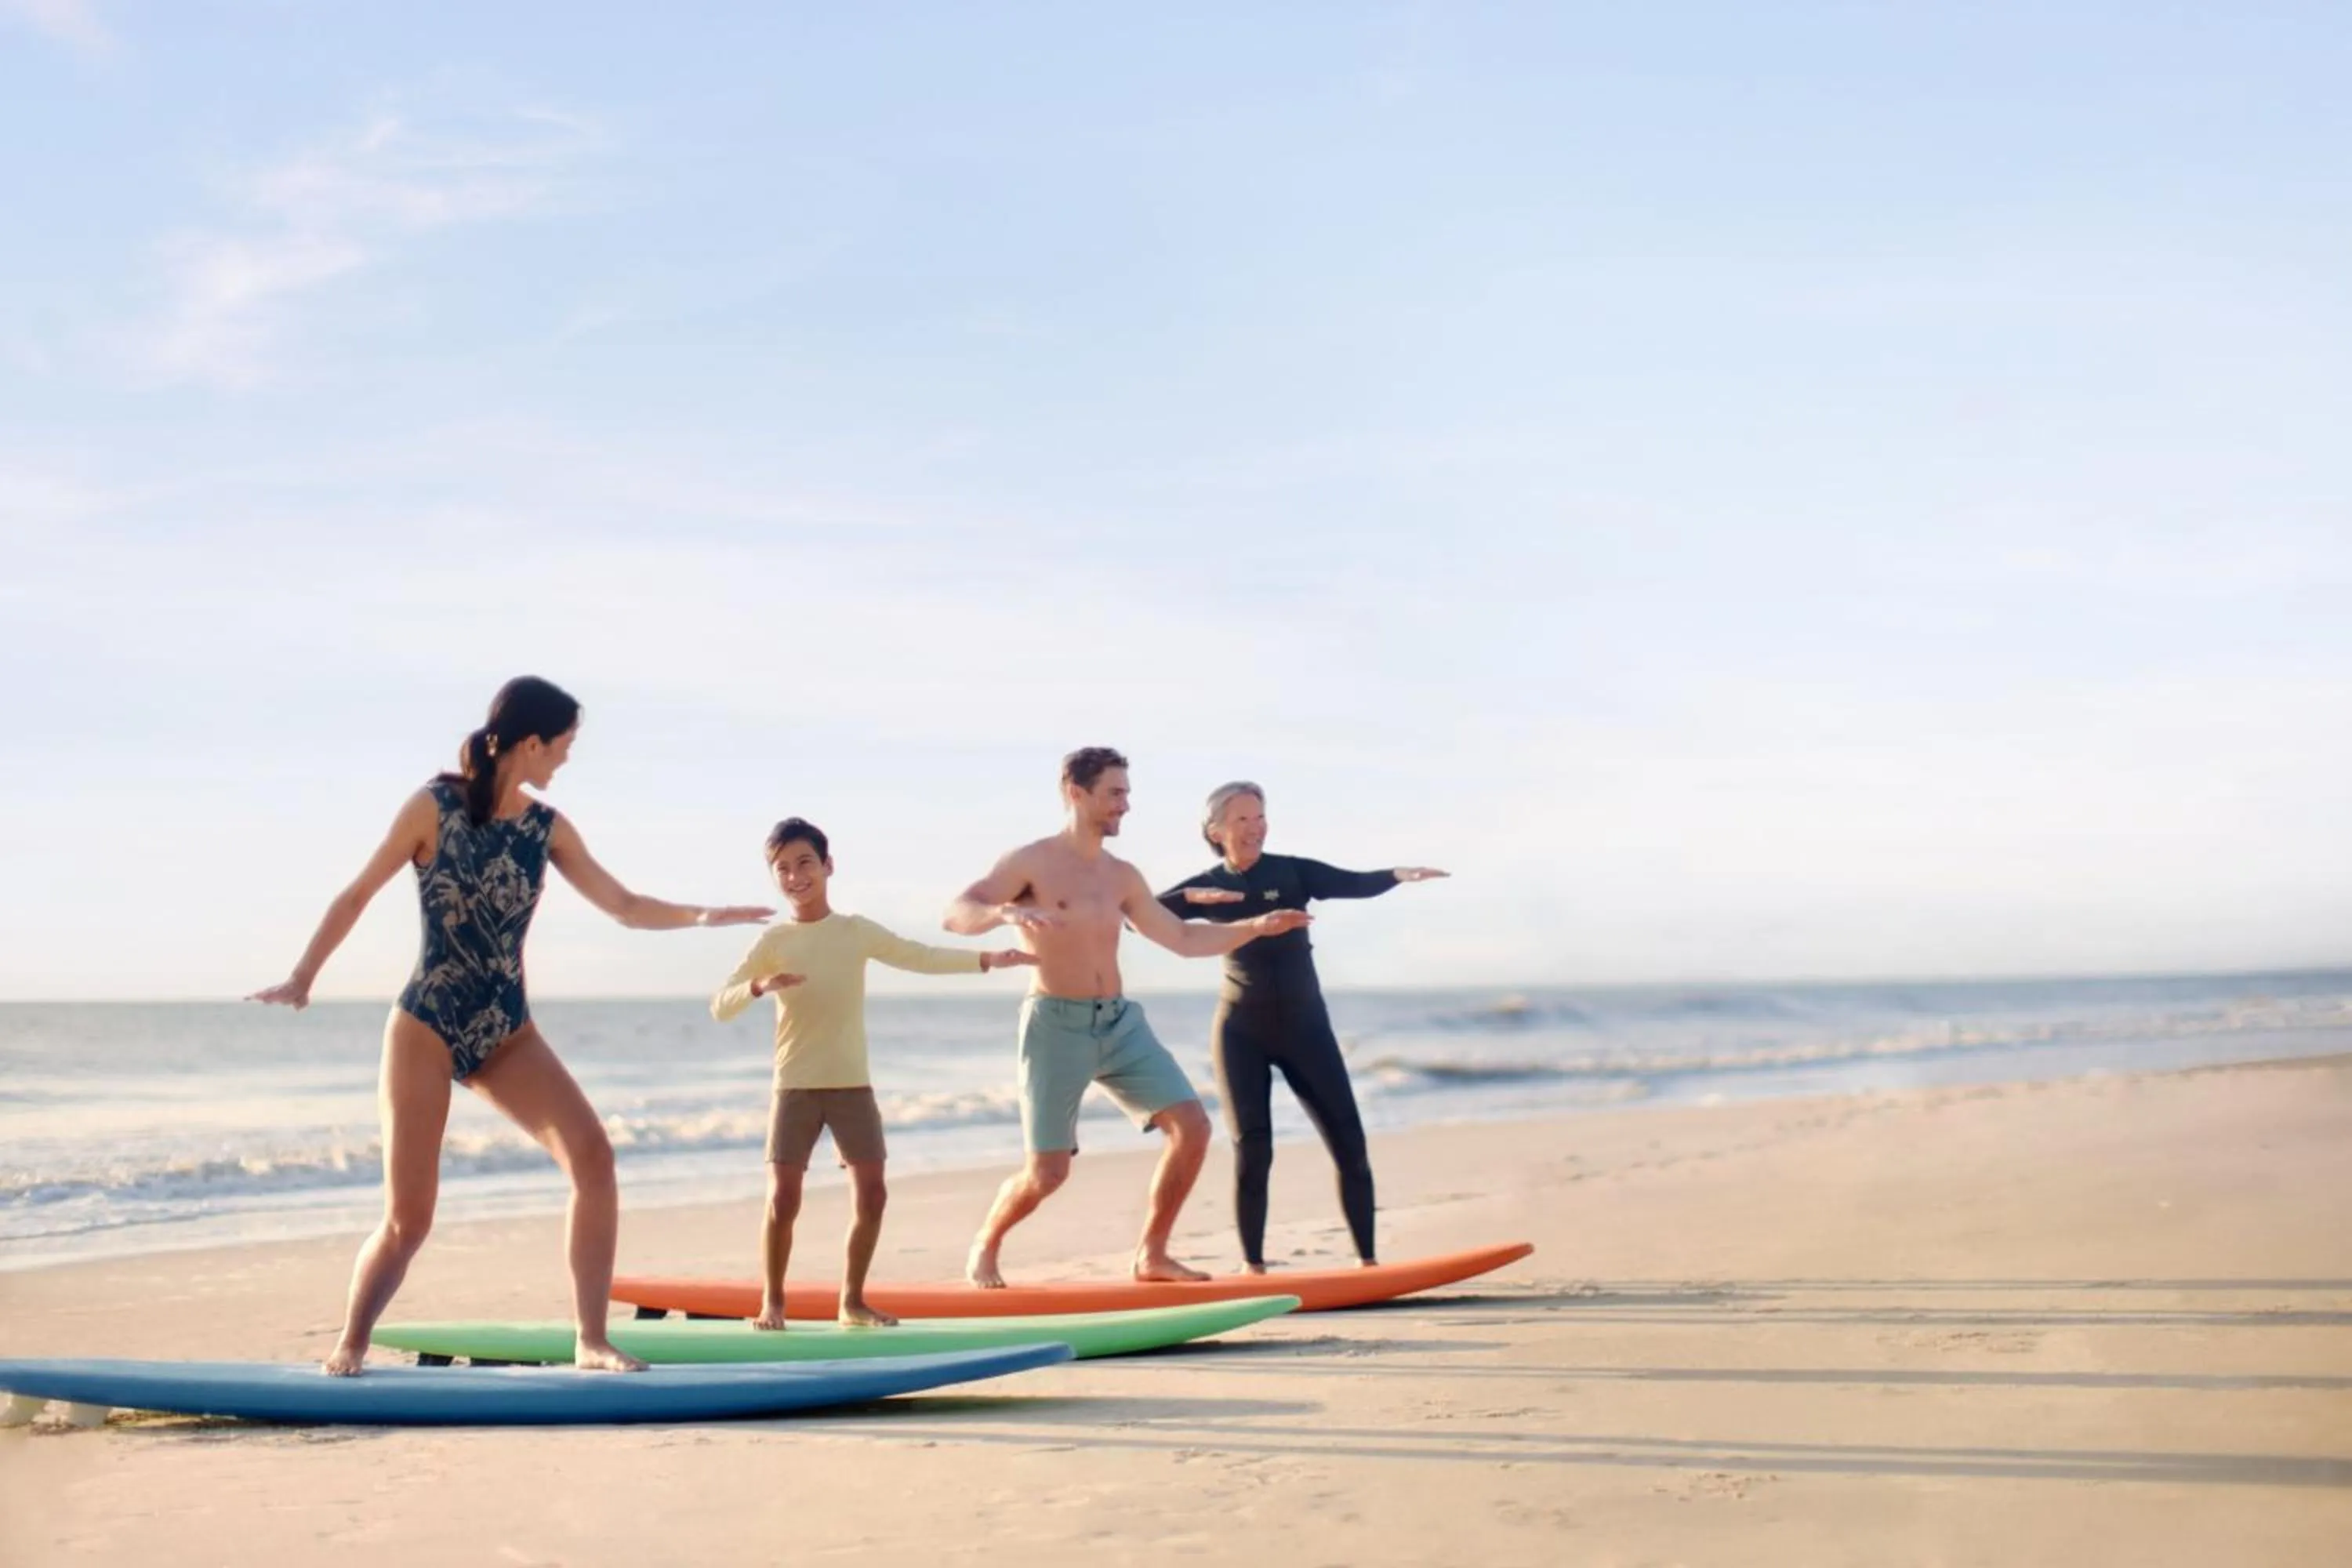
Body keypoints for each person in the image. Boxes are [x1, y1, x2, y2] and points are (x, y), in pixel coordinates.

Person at [249, 677, 771, 1374]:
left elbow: (624, 903)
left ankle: (590, 1339)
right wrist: (304, 975)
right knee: (410, 1219)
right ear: (530, 742)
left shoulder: (546, 828)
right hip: (427, 1024)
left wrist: (704, 916)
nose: (564, 760)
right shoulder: (432, 807)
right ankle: (351, 1343)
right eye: (563, 745)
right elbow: (357, 893)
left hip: (505, 1028)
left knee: (593, 1157)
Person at [942, 746, 1312, 1287]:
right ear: (1076, 793)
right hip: (1055, 1026)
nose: (1126, 805)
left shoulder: (1122, 876)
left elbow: (1183, 938)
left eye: (1127, 793)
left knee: (1192, 1126)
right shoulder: (1031, 862)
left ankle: (1152, 1255)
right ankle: (987, 1243)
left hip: (1118, 1022)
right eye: (1115, 793)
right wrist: (1004, 911)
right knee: (1047, 1174)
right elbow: (956, 913)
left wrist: (1257, 925)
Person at [710, 816, 1032, 1329]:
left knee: (873, 1193)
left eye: (805, 864)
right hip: (794, 1084)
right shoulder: (773, 941)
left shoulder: (855, 931)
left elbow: (920, 957)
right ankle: (772, 1302)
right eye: (783, 869)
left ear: (828, 866)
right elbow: (720, 1006)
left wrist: (989, 959)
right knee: (782, 1197)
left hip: (851, 1084)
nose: (795, 876)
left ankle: (852, 1301)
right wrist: (759, 985)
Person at [1159, 781, 1446, 1272]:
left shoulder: (1291, 871)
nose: (1256, 828)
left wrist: (1400, 874)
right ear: (1216, 831)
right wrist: (1189, 896)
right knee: (1253, 1149)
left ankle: (1368, 1263)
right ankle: (1254, 1266)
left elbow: (1352, 882)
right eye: (1243, 819)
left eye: (1260, 817)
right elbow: (1139, 917)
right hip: (1240, 1030)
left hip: (1305, 1027)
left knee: (1348, 1142)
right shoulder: (1208, 884)